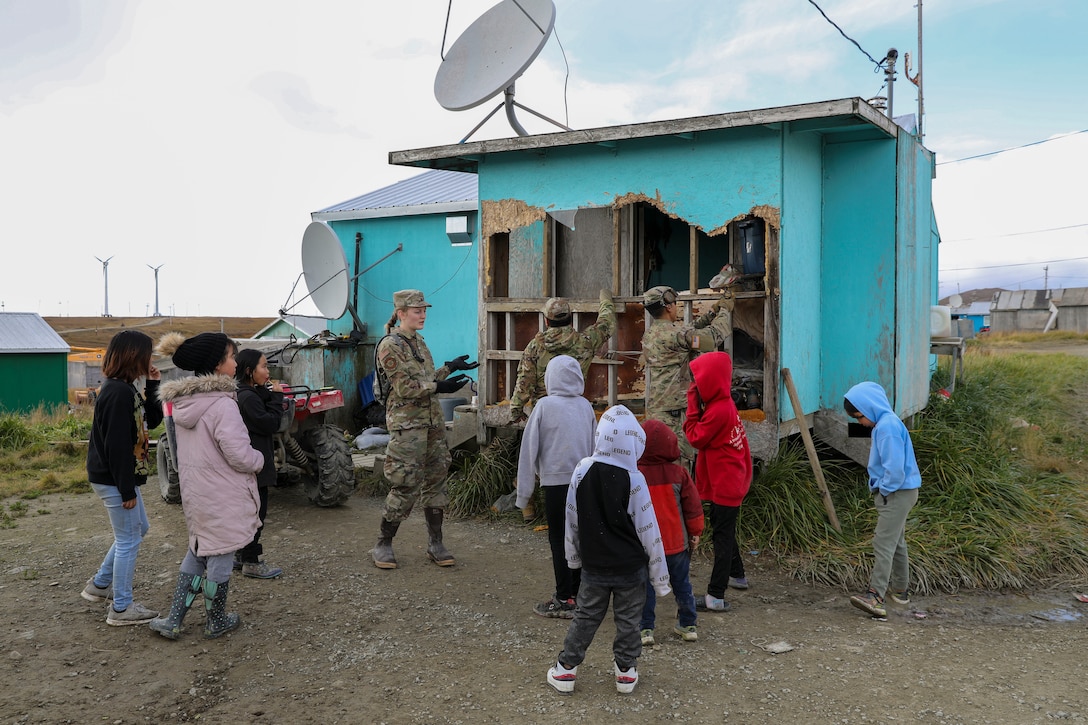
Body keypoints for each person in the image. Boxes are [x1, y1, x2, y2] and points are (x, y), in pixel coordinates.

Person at [546, 405, 670, 695]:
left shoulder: (582, 470)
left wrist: (572, 558)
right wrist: (660, 579)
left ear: (600, 436)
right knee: (629, 620)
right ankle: (626, 672)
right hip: (631, 569)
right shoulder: (635, 479)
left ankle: (565, 670)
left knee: (586, 618)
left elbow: (571, 518)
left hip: (594, 567)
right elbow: (649, 531)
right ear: (633, 441)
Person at [150, 332, 264, 639]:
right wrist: (259, 460)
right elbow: (239, 454)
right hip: (224, 493)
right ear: (217, 364)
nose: (235, 361)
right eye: (230, 356)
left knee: (199, 548)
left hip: (197, 493)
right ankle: (216, 620)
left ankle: (174, 620)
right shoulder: (222, 405)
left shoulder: (183, 403)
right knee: (223, 551)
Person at [372, 289, 476, 570]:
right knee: (405, 484)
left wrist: (449, 369)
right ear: (401, 313)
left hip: (432, 425)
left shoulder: (419, 341)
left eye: (424, 310)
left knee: (436, 481)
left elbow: (425, 379)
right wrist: (438, 387)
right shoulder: (389, 346)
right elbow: (405, 388)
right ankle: (383, 543)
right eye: (417, 311)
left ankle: (436, 543)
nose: (423, 315)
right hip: (408, 427)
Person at [82, 330, 164, 626]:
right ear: (133, 356)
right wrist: (126, 489)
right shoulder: (117, 393)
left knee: (138, 528)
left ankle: (100, 585)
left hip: (115, 477)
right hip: (114, 478)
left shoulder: (125, 388)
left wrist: (154, 384)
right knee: (129, 538)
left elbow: (151, 422)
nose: (150, 359)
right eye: (147, 354)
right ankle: (121, 608)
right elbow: (115, 446)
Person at [514, 355, 596, 619]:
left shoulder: (544, 406)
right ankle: (581, 594)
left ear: (550, 378)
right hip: (584, 484)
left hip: (556, 485)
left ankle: (564, 598)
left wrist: (524, 494)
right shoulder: (585, 406)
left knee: (560, 540)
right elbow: (596, 449)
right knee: (581, 539)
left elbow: (528, 450)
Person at [844, 381, 922, 618]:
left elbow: (895, 470)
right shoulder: (887, 423)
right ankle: (900, 592)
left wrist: (885, 490)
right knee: (896, 542)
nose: (860, 423)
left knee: (882, 543)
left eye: (859, 416)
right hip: (903, 491)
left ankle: (875, 596)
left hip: (896, 492)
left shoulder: (886, 428)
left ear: (870, 407)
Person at [683, 351, 752, 613]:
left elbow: (694, 437)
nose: (696, 387)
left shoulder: (717, 411)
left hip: (726, 484)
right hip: (730, 480)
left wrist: (691, 402)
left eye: (698, 382)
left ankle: (715, 596)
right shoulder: (723, 404)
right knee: (725, 529)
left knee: (722, 537)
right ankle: (738, 574)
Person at [641, 284, 734, 469]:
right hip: (674, 415)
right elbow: (711, 338)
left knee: (659, 467)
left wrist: (711, 314)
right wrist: (725, 310)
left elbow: (688, 332)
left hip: (657, 410)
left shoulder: (651, 334)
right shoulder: (676, 335)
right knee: (678, 468)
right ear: (668, 306)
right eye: (675, 303)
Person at [637, 419, 704, 645]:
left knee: (645, 589)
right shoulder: (680, 474)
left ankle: (646, 629)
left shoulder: (634, 475)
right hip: (676, 544)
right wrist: (695, 532)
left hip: (645, 545)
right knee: (682, 584)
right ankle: (688, 625)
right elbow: (693, 507)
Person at [507, 289, 616, 425]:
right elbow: (607, 322)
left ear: (547, 321)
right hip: (574, 413)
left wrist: (516, 410)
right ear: (570, 319)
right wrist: (605, 299)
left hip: (544, 413)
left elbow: (524, 381)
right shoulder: (586, 342)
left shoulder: (535, 347)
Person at [232, 348, 286, 579]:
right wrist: (276, 399)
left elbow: (259, 396)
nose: (268, 371)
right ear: (248, 371)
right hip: (254, 466)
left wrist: (267, 389)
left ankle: (240, 555)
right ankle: (251, 561)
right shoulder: (247, 398)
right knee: (256, 514)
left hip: (250, 465)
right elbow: (270, 424)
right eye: (263, 367)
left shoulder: (246, 392)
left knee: (248, 512)